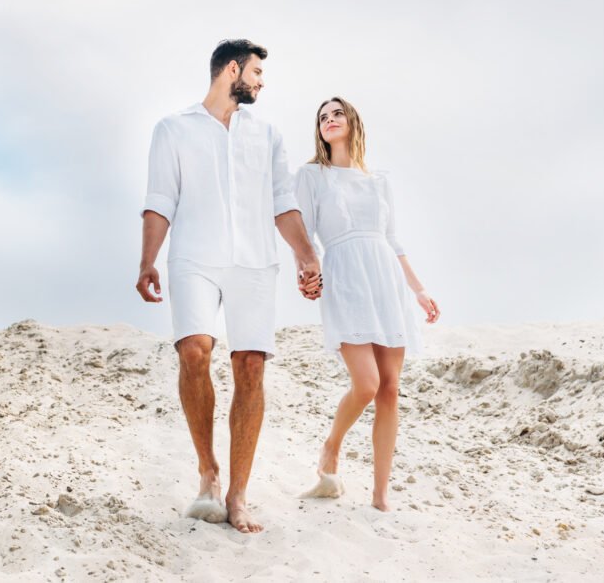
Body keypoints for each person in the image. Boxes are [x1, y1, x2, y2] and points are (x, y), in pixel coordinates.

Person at [136, 39, 322, 533]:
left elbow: (283, 201)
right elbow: (160, 198)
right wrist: (148, 260)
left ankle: (238, 494)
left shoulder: (267, 134)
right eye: (257, 72)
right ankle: (208, 472)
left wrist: (306, 254)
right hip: (193, 258)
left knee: (251, 367)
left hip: (255, 263)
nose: (262, 83)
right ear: (233, 70)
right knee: (194, 352)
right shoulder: (173, 128)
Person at [295, 96, 440, 511]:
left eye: (337, 113)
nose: (329, 120)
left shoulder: (379, 181)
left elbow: (392, 241)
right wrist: (304, 272)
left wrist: (419, 290)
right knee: (367, 384)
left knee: (390, 390)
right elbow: (302, 233)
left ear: (353, 121)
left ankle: (380, 496)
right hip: (344, 277)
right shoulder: (311, 176)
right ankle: (331, 446)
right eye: (322, 117)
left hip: (386, 279)